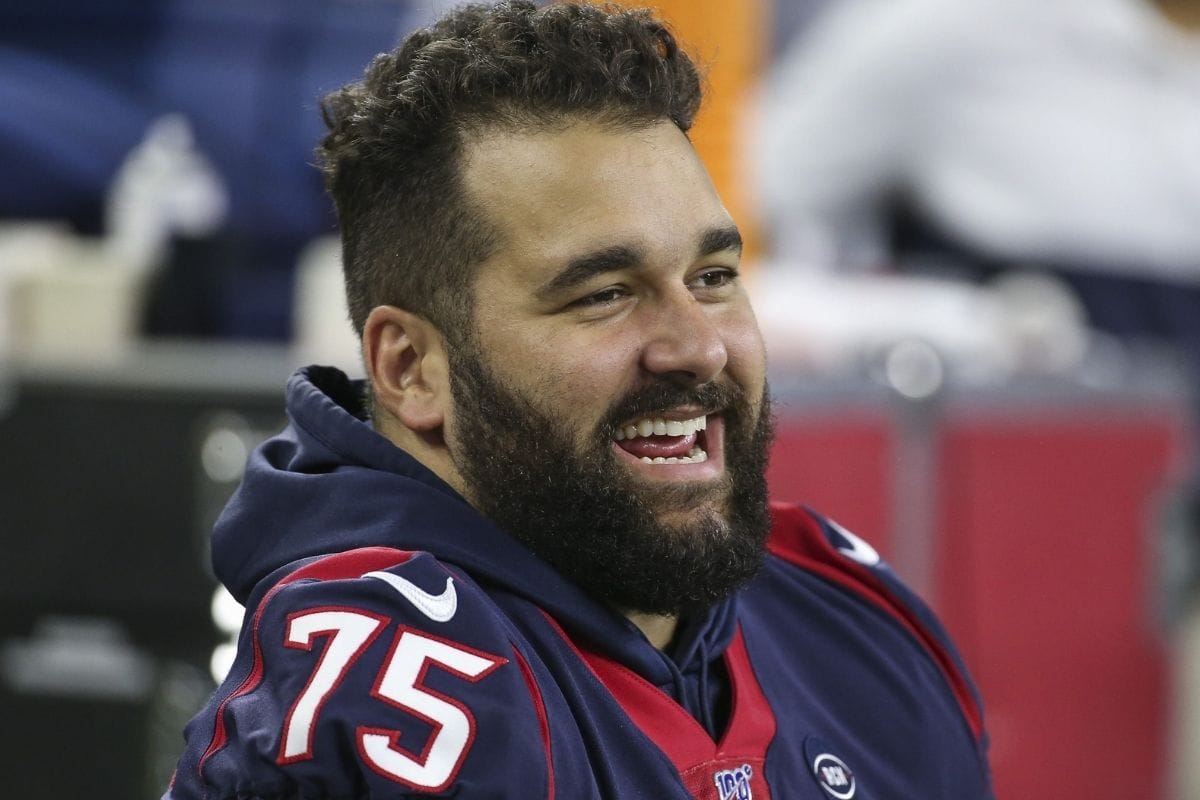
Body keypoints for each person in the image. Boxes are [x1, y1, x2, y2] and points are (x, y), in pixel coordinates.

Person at [164, 2, 993, 797]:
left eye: (712, 278)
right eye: (604, 294)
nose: (698, 347)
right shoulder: (387, 697)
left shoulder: (851, 619)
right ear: (411, 367)